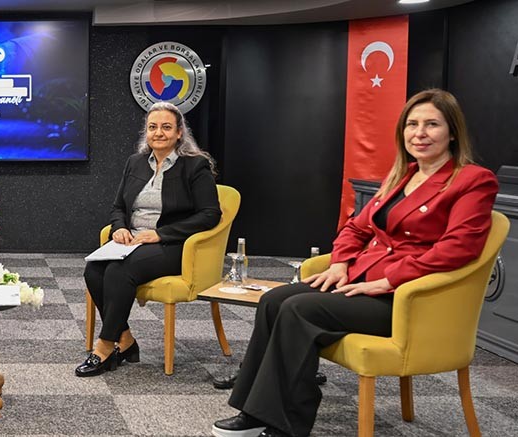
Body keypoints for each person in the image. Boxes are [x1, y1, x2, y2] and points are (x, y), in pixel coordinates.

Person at [212, 89, 499, 437]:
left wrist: (389, 280)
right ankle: (255, 411)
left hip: (407, 299)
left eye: (432, 125)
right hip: (363, 281)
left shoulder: (472, 180)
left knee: (299, 310)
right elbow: (356, 227)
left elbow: (459, 248)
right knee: (273, 300)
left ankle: (285, 423)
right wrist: (340, 263)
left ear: (452, 132)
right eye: (412, 124)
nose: (419, 133)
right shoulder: (403, 175)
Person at [77, 101, 222, 377]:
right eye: (153, 127)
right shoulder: (136, 162)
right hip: (131, 241)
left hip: (174, 245)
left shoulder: (195, 166)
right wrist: (119, 227)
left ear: (179, 132)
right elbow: (118, 206)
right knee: (93, 270)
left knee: (119, 271)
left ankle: (104, 347)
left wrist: (160, 234)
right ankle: (126, 340)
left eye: (166, 127)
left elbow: (210, 215)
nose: (158, 133)